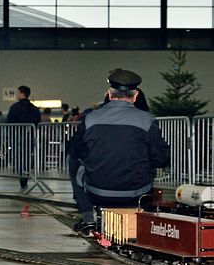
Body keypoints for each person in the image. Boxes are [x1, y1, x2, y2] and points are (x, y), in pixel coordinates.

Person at [69, 70, 170, 236]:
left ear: (109, 93)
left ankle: (88, 219)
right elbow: (161, 159)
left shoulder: (91, 119)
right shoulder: (147, 121)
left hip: (98, 192)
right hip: (136, 193)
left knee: (74, 163)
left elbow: (74, 150)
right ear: (136, 95)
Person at [6, 85, 41, 188]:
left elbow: (9, 121)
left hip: (17, 135)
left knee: (17, 155)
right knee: (27, 156)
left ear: (21, 94)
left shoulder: (14, 107)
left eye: (18, 93)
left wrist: (9, 133)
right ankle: (25, 175)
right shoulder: (34, 108)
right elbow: (37, 122)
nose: (17, 94)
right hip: (29, 135)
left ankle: (20, 173)